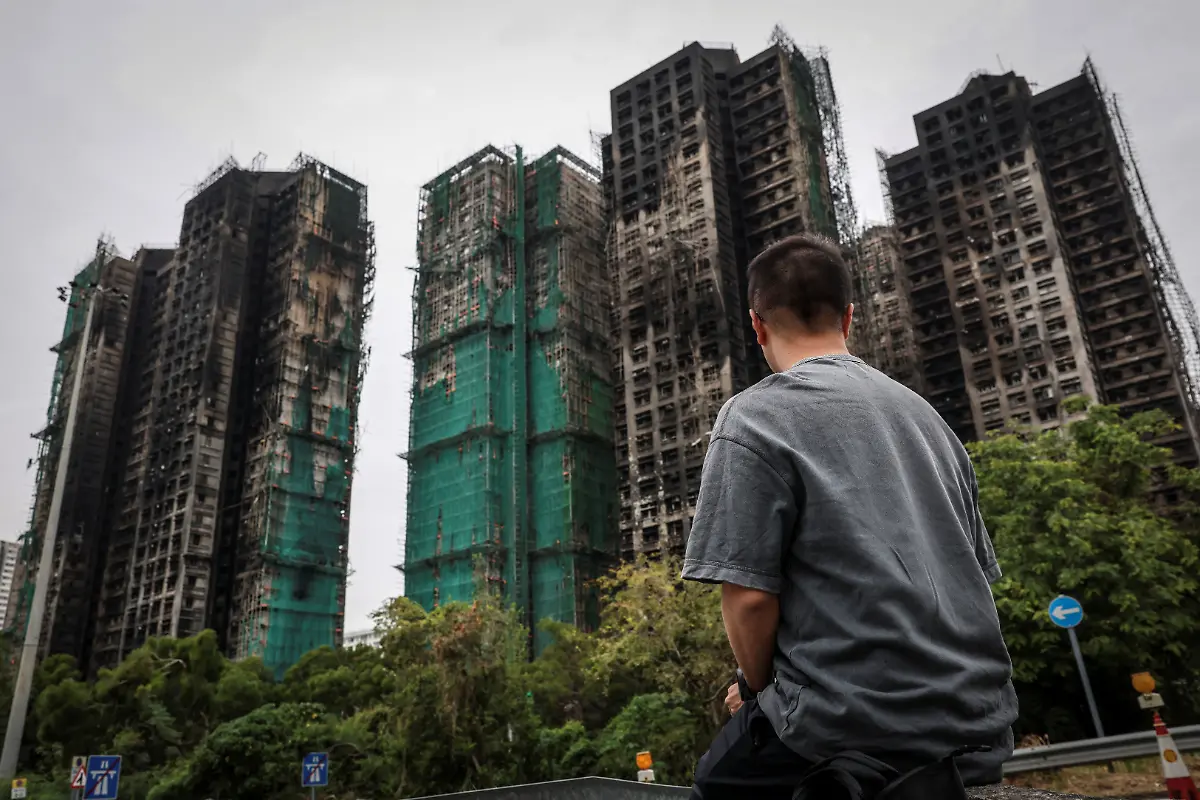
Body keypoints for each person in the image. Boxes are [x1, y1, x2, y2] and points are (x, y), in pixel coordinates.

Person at [681, 233, 1018, 799]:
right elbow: (972, 579)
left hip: (847, 723)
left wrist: (759, 689)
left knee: (714, 784)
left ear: (757, 325)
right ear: (850, 316)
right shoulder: (928, 420)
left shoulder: (754, 418)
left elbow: (749, 597)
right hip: (977, 724)